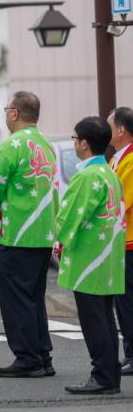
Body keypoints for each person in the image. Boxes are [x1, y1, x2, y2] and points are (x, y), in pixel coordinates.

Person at [0, 91, 59, 378]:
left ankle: (27, 358)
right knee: (34, 296)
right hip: (42, 232)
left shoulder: (13, 145)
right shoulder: (46, 145)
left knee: (16, 298)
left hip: (16, 232)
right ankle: (42, 355)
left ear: (14, 113)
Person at [56, 116, 126, 395]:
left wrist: (58, 240)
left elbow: (69, 216)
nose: (74, 144)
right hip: (108, 255)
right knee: (106, 319)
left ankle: (103, 376)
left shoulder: (86, 176)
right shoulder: (109, 172)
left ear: (84, 143)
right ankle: (109, 375)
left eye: (74, 139)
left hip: (88, 257)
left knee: (94, 319)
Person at [107, 107, 133, 376]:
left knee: (128, 302)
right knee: (123, 302)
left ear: (121, 130)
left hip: (130, 241)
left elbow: (119, 201)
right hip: (122, 239)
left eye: (110, 125)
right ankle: (130, 354)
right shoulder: (118, 159)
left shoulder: (131, 160)